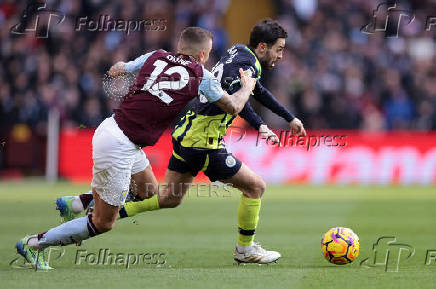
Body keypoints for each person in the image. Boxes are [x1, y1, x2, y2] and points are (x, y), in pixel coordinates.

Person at [58, 19, 306, 265]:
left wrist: (288, 117)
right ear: (262, 47)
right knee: (256, 187)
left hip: (187, 134)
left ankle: (85, 204)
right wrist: (260, 124)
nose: (281, 55)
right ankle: (245, 249)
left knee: (169, 198)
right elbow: (235, 102)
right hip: (203, 143)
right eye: (279, 49)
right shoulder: (246, 68)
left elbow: (256, 90)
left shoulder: (239, 52)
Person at [15, 26, 257, 270]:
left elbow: (120, 68)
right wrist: (247, 86)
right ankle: (34, 243)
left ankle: (75, 204)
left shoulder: (156, 55)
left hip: (114, 130)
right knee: (103, 222)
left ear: (180, 47)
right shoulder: (201, 75)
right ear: (203, 54)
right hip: (119, 144)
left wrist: (117, 69)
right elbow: (234, 107)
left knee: (149, 191)